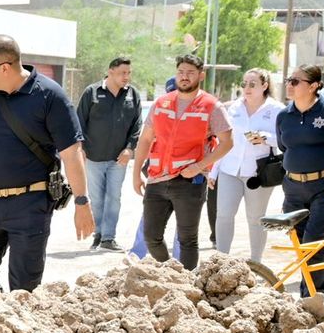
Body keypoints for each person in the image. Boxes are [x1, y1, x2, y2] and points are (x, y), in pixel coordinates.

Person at [0, 35, 94, 291]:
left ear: (5, 68)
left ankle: (17, 315)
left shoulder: (51, 97)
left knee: (24, 288)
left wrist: (82, 202)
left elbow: (72, 154)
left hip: (30, 205)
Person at [132, 53, 232, 270]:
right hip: (157, 178)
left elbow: (227, 143)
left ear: (201, 76)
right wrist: (136, 173)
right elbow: (146, 139)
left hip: (190, 181)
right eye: (181, 72)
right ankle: (172, 273)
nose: (184, 77)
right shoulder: (161, 103)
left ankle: (185, 283)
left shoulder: (212, 106)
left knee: (187, 239)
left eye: (190, 73)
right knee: (151, 237)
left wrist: (198, 167)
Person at [210, 68, 283, 261]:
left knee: (256, 219)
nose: (247, 88)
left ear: (264, 86)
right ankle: (221, 261)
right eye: (244, 84)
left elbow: (285, 140)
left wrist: (265, 138)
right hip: (229, 170)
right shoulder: (233, 108)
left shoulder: (277, 109)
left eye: (252, 84)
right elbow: (223, 142)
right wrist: (213, 171)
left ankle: (256, 263)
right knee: (224, 215)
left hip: (258, 174)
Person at [276, 64, 324, 296]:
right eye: (289, 80)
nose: (289, 85)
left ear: (313, 86)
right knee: (301, 247)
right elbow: (283, 147)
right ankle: (312, 296)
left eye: (295, 81)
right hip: (293, 189)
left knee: (312, 245)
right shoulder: (283, 116)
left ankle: (310, 298)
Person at [77, 56, 142, 251]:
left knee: (114, 198)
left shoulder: (132, 94)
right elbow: (79, 122)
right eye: (122, 73)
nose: (126, 77)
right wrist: (81, 149)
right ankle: (98, 234)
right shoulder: (92, 92)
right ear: (110, 71)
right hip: (93, 157)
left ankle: (108, 238)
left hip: (118, 159)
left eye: (128, 73)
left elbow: (137, 125)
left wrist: (129, 149)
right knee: (97, 199)